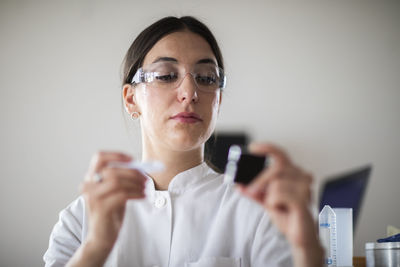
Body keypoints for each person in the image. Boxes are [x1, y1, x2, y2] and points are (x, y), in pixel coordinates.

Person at [43, 16, 323, 267]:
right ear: (131, 98)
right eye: (166, 75)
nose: (190, 92)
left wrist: (307, 249)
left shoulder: (258, 211)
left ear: (219, 99)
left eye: (206, 78)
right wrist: (96, 248)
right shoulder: (80, 220)